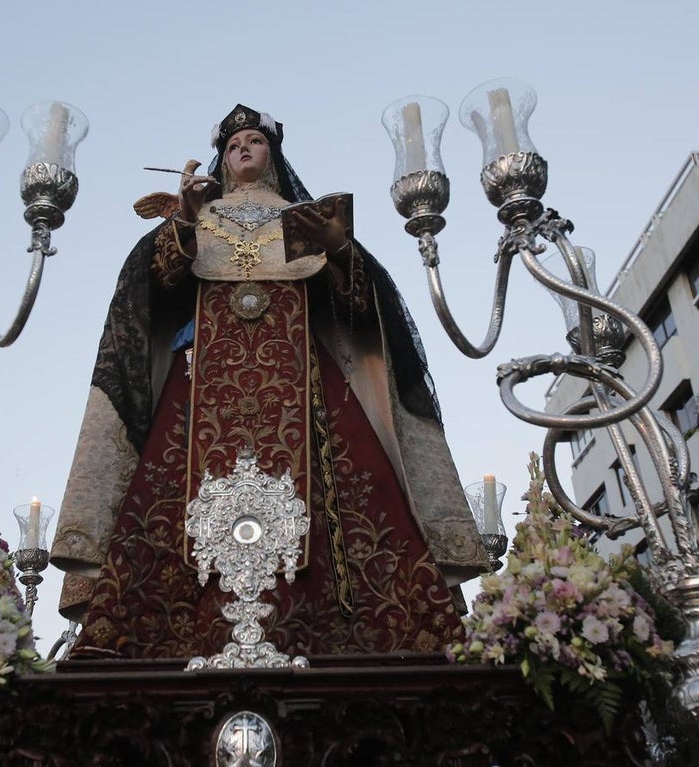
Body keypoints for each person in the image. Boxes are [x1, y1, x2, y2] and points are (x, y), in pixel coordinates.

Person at [50, 104, 486, 659]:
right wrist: (183, 221)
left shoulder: (301, 222)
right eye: (234, 144)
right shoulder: (198, 217)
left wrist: (340, 247)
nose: (244, 149)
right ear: (223, 159)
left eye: (255, 141)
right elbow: (155, 287)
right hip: (202, 384)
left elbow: (358, 308)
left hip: (303, 389)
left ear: (272, 154)